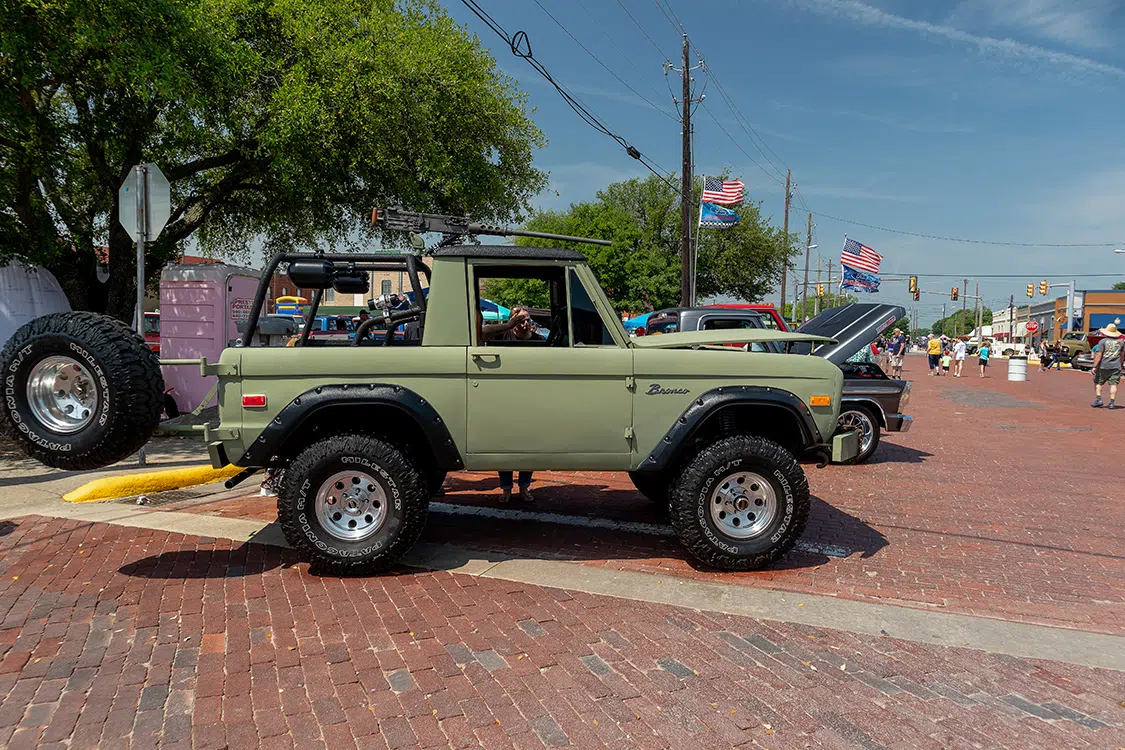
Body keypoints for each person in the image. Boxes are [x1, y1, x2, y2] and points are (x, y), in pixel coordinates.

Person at [479, 305, 542, 502]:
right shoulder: (504, 336)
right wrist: (507, 325)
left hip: (531, 399)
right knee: (505, 446)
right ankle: (506, 488)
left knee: (529, 447)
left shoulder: (540, 341)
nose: (524, 323)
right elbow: (480, 332)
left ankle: (524, 487)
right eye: (519, 320)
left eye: (527, 319)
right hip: (505, 398)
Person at [1090, 323, 1124, 409]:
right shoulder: (1121, 342)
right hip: (1116, 366)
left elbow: (1098, 355)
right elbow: (1122, 355)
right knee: (1113, 384)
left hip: (1104, 365)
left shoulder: (1103, 342)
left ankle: (1099, 399)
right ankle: (1112, 402)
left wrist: (1094, 366)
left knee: (1098, 382)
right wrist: (1120, 364)